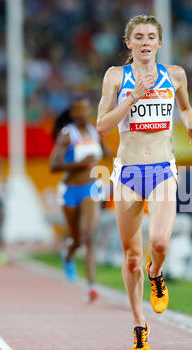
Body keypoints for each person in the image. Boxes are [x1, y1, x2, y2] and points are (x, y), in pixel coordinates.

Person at [96, 15, 192, 350]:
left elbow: (185, 108)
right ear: (129, 43)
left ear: (159, 43)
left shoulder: (175, 75)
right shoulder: (116, 76)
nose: (144, 41)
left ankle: (156, 274)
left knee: (158, 242)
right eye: (138, 36)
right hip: (127, 173)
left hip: (161, 170)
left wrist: (191, 128)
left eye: (151, 36)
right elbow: (101, 126)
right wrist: (131, 99)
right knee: (130, 258)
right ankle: (140, 324)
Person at [50, 95, 107, 303]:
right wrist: (79, 163)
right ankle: (68, 252)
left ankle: (91, 286)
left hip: (91, 187)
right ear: (73, 113)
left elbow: (106, 151)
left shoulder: (95, 131)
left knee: (89, 235)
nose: (83, 114)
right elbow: (53, 166)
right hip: (70, 190)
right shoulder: (67, 134)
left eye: (86, 109)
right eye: (79, 110)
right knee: (77, 237)